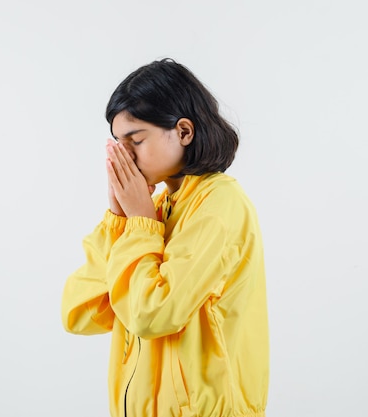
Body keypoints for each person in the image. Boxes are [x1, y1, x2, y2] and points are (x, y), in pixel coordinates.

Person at [60, 58, 269, 417]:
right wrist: (119, 221)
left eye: (135, 140)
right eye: (117, 143)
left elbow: (153, 314)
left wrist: (139, 222)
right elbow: (81, 314)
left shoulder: (220, 204)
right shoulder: (155, 212)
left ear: (184, 132)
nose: (124, 155)